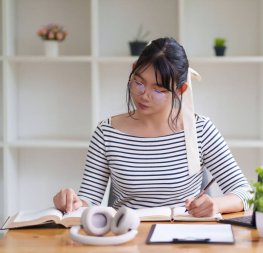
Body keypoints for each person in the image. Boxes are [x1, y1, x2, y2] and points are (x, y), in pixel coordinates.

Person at [53, 37, 252, 217]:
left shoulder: (200, 130)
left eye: (158, 90)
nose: (144, 95)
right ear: (132, 69)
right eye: (139, 83)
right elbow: (89, 201)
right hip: (127, 238)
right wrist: (71, 202)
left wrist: (216, 204)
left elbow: (245, 192)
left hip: (184, 240)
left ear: (180, 90)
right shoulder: (107, 133)